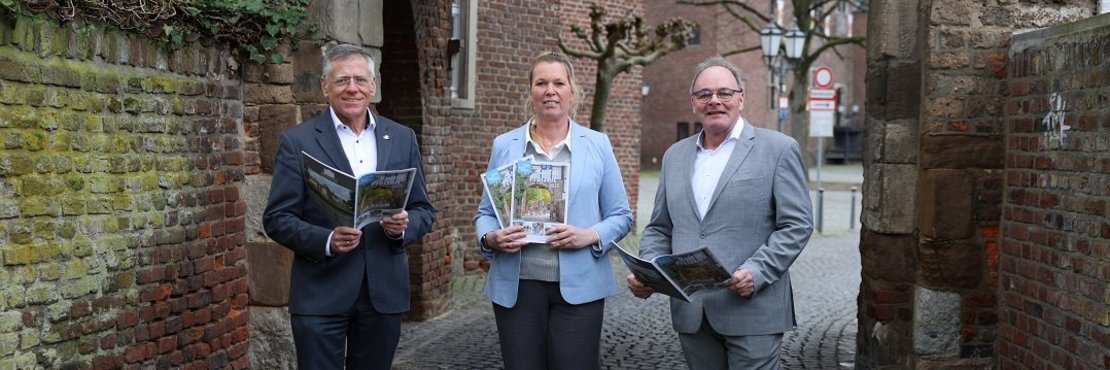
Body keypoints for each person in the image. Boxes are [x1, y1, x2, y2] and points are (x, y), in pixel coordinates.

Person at [627, 56, 813, 370]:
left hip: (752, 308)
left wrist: (758, 272)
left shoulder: (778, 149)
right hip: (692, 313)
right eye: (705, 94)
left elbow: (797, 224)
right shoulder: (674, 156)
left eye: (725, 92)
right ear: (693, 103)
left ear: (741, 98)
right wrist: (650, 271)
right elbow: (660, 228)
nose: (715, 100)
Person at [263, 44, 435, 370]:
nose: (352, 88)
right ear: (325, 87)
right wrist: (326, 240)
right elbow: (277, 218)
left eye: (360, 80)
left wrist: (404, 226)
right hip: (320, 290)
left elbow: (423, 209)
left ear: (373, 85)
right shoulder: (298, 142)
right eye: (342, 80)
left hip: (382, 291)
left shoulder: (401, 138)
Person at [474, 51, 633, 370]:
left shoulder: (597, 144)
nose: (550, 90)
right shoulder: (504, 145)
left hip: (580, 287)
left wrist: (589, 235)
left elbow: (621, 215)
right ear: (530, 91)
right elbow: (485, 213)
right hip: (517, 287)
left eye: (559, 83)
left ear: (572, 91)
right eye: (541, 83)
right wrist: (491, 238)